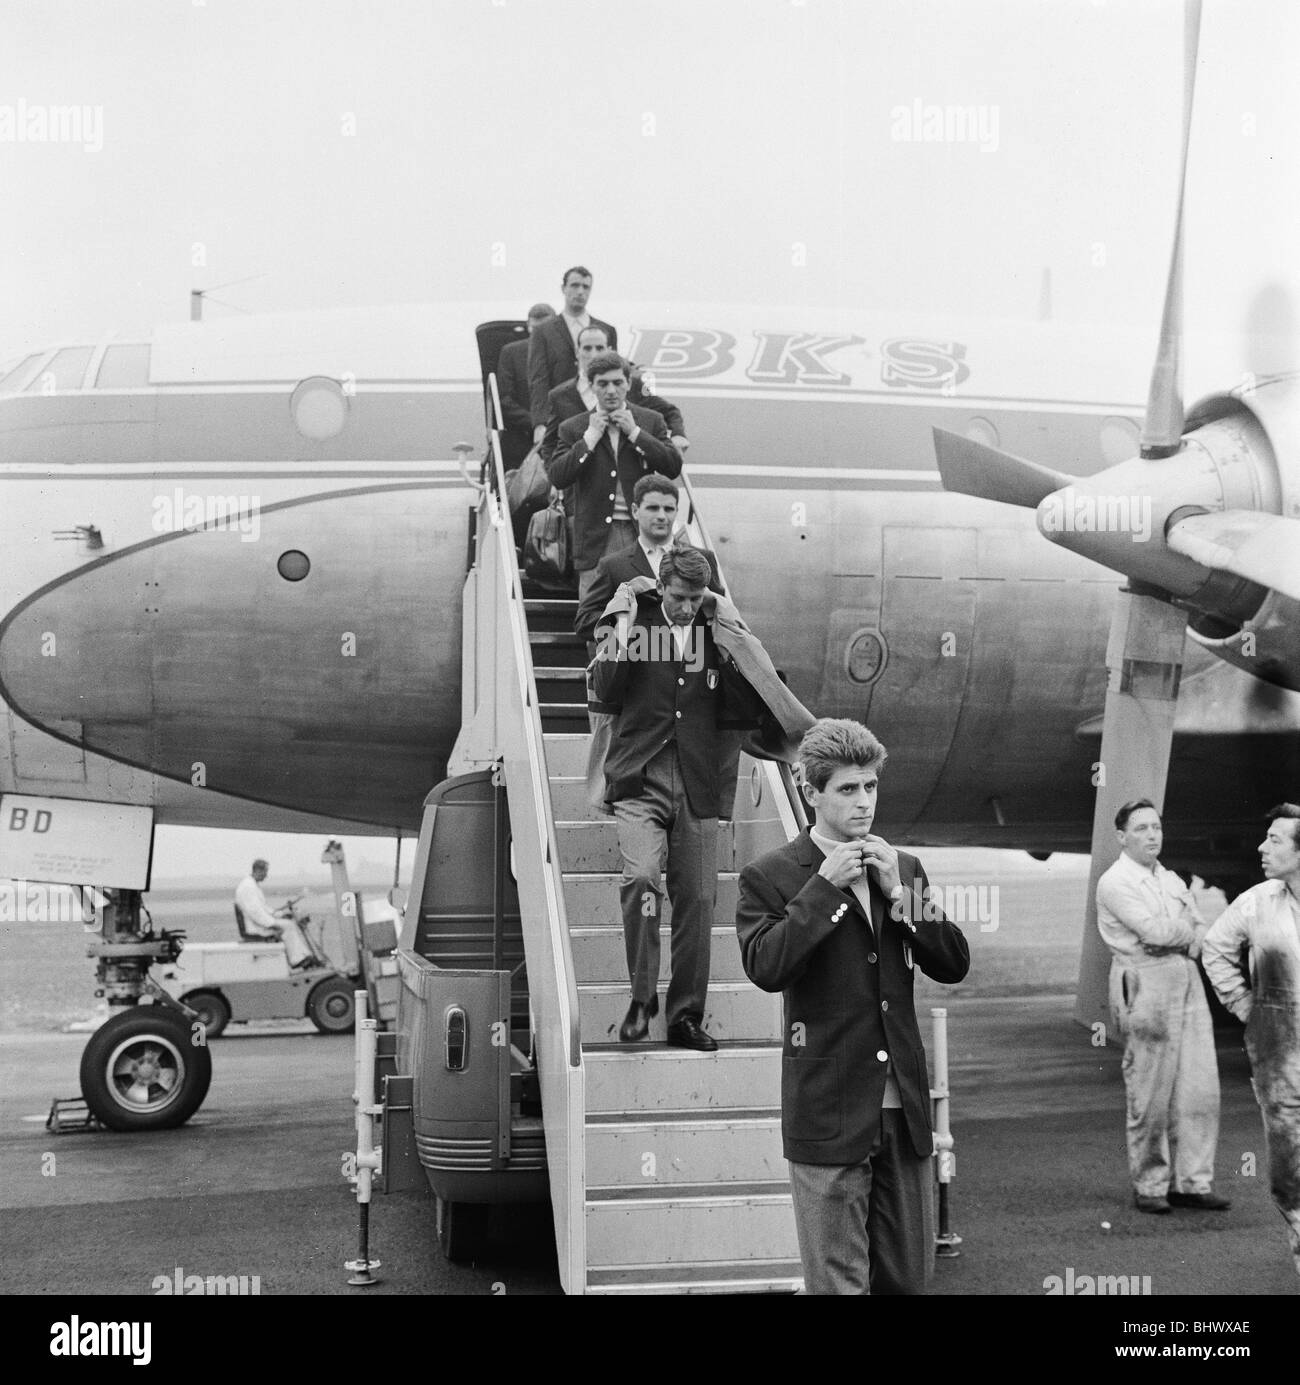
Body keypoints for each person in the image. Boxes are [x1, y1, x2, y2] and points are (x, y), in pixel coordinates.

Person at [736, 718, 970, 1294]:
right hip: (830, 1111)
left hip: (904, 1111)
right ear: (810, 793)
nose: (863, 802)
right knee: (840, 1286)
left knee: (909, 1282)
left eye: (869, 787)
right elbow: (766, 967)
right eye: (847, 789)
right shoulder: (770, 875)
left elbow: (954, 961)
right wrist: (822, 888)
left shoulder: (905, 868)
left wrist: (902, 897)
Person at [590, 547, 781, 1051]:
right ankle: (641, 997)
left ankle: (685, 1016)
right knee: (642, 878)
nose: (686, 608)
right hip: (640, 778)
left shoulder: (712, 631)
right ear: (662, 586)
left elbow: (746, 700)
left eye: (697, 598)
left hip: (697, 783)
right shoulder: (639, 622)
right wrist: (623, 628)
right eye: (679, 597)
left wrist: (735, 640)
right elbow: (605, 689)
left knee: (698, 900)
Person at [1095, 799, 1227, 1214]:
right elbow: (1150, 930)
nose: (1152, 835)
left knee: (1200, 1087)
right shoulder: (1115, 882)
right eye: (1141, 829)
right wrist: (1185, 934)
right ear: (1122, 836)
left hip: (1185, 979)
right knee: (1150, 1090)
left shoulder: (1170, 879)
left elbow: (1202, 928)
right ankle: (1151, 1184)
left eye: (1156, 827)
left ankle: (1193, 1181)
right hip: (1144, 979)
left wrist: (1181, 936)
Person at [1202, 803, 1300, 1274]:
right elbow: (1215, 949)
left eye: (1276, 839)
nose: (1262, 847)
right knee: (1288, 1176)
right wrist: (1246, 1007)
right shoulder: (1258, 901)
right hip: (1281, 1063)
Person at [546, 351, 679, 606]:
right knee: (595, 616)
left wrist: (636, 433)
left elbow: (672, 466)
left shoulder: (650, 421)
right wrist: (590, 438)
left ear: (628, 384)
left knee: (644, 611)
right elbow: (558, 476)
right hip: (595, 537)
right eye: (603, 383)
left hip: (640, 532)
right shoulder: (573, 427)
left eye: (618, 383)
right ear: (591, 386)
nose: (611, 390)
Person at [573, 474, 720, 645]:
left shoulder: (704, 558)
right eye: (653, 508)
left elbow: (722, 615)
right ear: (635, 510)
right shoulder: (613, 566)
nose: (662, 516)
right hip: (638, 664)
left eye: (669, 509)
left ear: (677, 512)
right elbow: (584, 622)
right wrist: (628, 621)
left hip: (692, 663)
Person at [540, 324, 688, 464]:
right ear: (577, 352)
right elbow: (550, 443)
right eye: (587, 348)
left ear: (610, 350)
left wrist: (678, 434)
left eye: (600, 348)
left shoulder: (634, 384)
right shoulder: (558, 395)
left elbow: (669, 411)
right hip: (579, 482)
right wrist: (553, 479)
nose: (594, 354)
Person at [527, 265, 618, 438]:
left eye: (585, 287)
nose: (580, 292)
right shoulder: (543, 332)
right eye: (575, 286)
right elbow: (538, 379)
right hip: (560, 415)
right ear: (563, 288)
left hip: (600, 414)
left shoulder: (607, 331)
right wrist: (540, 423)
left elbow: (614, 375)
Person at [497, 303, 554, 469]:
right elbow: (504, 399)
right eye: (536, 329)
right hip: (521, 440)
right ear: (528, 326)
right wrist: (537, 422)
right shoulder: (511, 353)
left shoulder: (563, 355)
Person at [234, 859, 316, 970]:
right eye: (265, 872)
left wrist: (280, 914)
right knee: (287, 926)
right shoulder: (248, 887)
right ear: (258, 870)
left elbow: (263, 908)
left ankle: (303, 956)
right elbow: (255, 912)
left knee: (288, 923)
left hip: (257, 922)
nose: (266, 876)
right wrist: (272, 923)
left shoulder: (252, 885)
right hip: (253, 927)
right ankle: (296, 959)